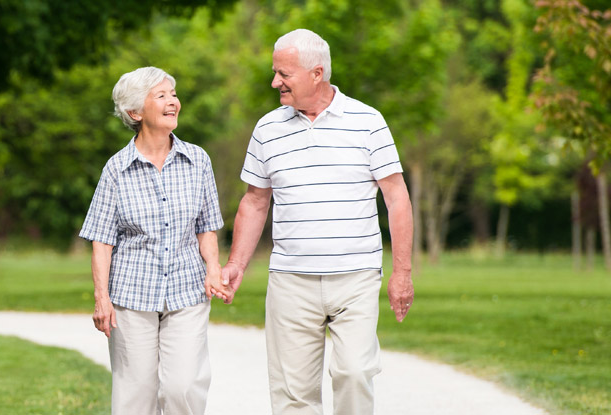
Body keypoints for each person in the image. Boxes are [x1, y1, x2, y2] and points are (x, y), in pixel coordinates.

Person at [220, 29, 415, 415]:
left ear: (316, 73)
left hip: (355, 276)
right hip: (290, 280)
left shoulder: (368, 121)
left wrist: (402, 272)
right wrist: (237, 264)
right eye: (276, 73)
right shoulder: (267, 128)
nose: (275, 82)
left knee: (355, 372)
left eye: (284, 74)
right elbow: (255, 201)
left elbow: (397, 197)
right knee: (293, 395)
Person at [79, 66, 227, 415]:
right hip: (132, 295)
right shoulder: (116, 169)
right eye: (161, 96)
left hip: (187, 290)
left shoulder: (198, 161)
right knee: (135, 396)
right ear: (135, 112)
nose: (173, 101)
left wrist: (213, 268)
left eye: (173, 94)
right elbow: (101, 240)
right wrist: (102, 299)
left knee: (183, 388)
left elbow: (206, 226)